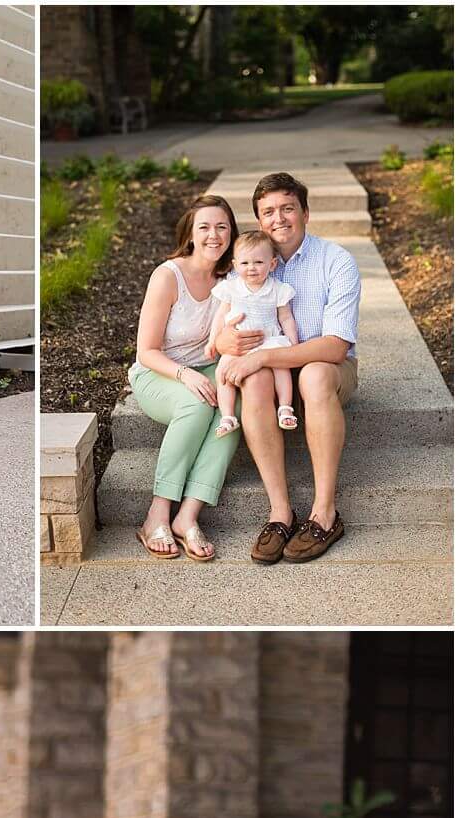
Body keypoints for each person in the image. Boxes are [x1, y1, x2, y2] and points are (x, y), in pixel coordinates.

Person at [211, 172, 361, 564]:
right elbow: (221, 330)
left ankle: (325, 514)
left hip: (328, 369)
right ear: (260, 221)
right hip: (271, 375)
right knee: (255, 379)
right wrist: (226, 343)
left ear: (305, 213)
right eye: (268, 212)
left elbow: (335, 345)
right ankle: (281, 512)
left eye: (287, 208)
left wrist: (262, 355)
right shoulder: (251, 261)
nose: (279, 218)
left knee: (310, 373)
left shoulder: (337, 262)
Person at [126, 195, 240, 562]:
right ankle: (157, 514)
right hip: (159, 372)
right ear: (190, 234)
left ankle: (188, 516)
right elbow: (147, 351)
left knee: (230, 412)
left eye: (222, 226)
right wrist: (185, 374)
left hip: (208, 368)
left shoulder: (234, 276)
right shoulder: (167, 276)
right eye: (204, 227)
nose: (213, 235)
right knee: (196, 405)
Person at [210, 230, 300, 439]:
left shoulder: (278, 289)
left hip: (269, 341)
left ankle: (285, 408)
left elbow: (286, 318)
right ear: (235, 265)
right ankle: (228, 416)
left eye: (259, 262)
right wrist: (212, 341)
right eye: (245, 263)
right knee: (222, 372)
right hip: (239, 343)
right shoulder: (231, 287)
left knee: (282, 369)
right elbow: (220, 316)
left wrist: (293, 344)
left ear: (272, 264)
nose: (251, 268)